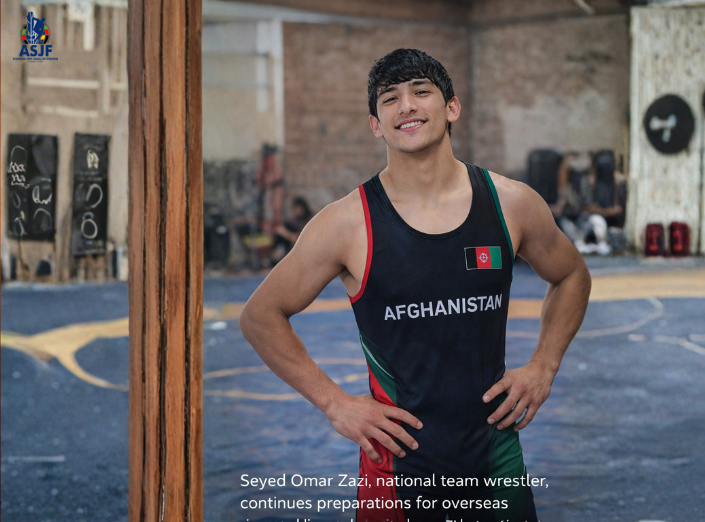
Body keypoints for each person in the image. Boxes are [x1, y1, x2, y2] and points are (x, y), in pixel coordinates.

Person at [239, 49, 591, 522]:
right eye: (390, 98)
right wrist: (335, 404)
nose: (406, 105)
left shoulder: (511, 204)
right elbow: (260, 316)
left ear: (452, 107)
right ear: (375, 124)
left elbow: (571, 275)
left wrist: (544, 367)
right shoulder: (346, 224)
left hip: (495, 460)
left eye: (421, 91)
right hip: (396, 472)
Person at [550, 151, 624, 255]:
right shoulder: (566, 192)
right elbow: (561, 208)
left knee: (598, 221)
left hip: (586, 221)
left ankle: (601, 243)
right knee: (566, 225)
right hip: (573, 223)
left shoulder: (589, 189)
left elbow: (591, 208)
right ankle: (579, 244)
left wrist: (609, 211)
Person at [271, 196, 313, 265]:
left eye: (299, 208)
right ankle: (278, 254)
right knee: (281, 233)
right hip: (292, 242)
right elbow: (279, 229)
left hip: (307, 244)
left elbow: (301, 235)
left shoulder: (311, 219)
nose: (298, 211)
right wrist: (290, 236)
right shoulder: (294, 220)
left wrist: (292, 236)